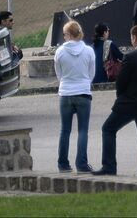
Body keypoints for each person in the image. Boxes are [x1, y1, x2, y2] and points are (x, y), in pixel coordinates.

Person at [94, 24, 137, 176]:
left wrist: (121, 98)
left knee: (108, 129)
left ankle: (109, 166)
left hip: (130, 103)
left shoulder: (130, 57)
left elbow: (121, 82)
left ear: (134, 38)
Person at [54, 20, 95, 173]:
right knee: (83, 130)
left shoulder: (60, 52)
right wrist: (84, 82)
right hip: (83, 91)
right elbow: (91, 73)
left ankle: (63, 164)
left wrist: (65, 83)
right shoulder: (88, 51)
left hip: (65, 92)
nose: (63, 37)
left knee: (65, 130)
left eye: (64, 34)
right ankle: (82, 164)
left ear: (69, 35)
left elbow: (59, 73)